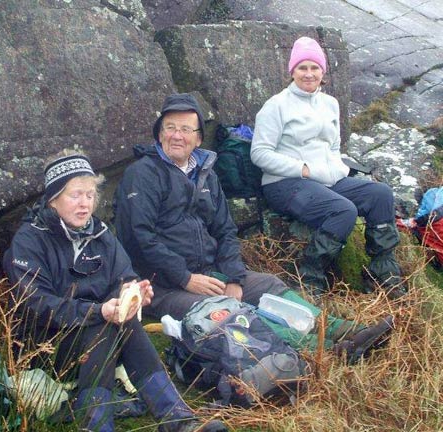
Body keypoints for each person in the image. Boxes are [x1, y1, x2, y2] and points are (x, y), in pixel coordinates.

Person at [113, 93, 393, 361]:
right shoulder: (142, 175)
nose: (177, 135)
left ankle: (340, 330)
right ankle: (326, 350)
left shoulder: (206, 174)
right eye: (170, 127)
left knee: (268, 285)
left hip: (210, 274)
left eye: (186, 129)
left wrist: (234, 276)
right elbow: (140, 238)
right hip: (161, 286)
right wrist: (185, 278)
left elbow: (225, 230)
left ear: (198, 138)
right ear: (159, 133)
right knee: (227, 312)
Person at [3, 153, 227, 432]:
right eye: (75, 195)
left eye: (89, 194)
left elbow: (125, 276)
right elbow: (36, 303)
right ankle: (134, 423)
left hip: (100, 339)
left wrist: (134, 292)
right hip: (45, 348)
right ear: (53, 198)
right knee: (106, 325)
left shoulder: (100, 233)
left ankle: (178, 421)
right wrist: (98, 311)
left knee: (120, 321)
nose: (85, 203)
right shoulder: (30, 239)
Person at [250, 36, 406, 299]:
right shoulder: (276, 105)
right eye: (302, 68)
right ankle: (309, 278)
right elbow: (259, 154)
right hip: (284, 184)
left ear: (323, 71)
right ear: (292, 71)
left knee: (380, 194)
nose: (309, 74)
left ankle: (382, 272)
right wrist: (305, 169)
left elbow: (333, 147)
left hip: (326, 180)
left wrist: (336, 168)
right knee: (343, 210)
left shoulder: (330, 104)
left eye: (314, 67)